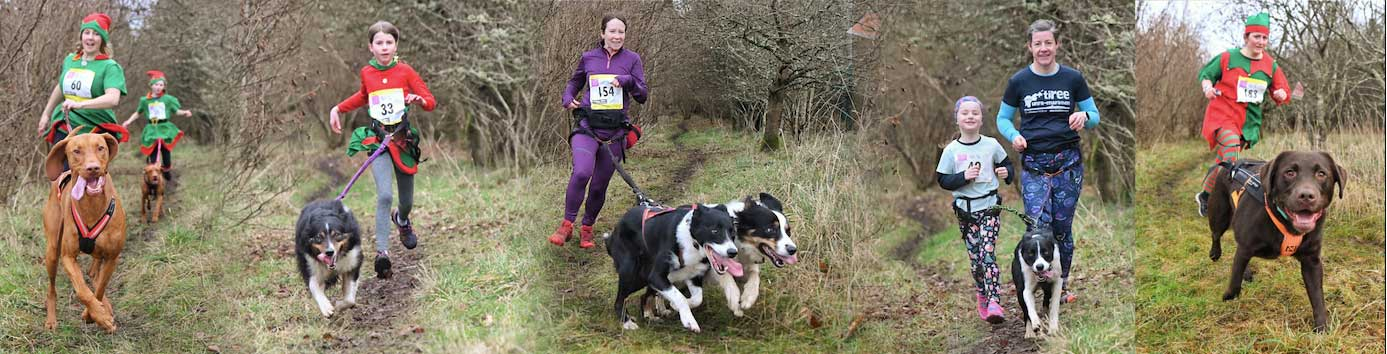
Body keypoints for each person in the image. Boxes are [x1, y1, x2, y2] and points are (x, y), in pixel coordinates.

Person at [996, 19, 1100, 303]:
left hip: (1068, 164)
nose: (1043, 49)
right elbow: (1002, 119)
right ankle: (1036, 285)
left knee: (1062, 230)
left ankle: (1060, 285)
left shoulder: (1073, 79)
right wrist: (1014, 134)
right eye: (1038, 44)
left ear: (1057, 45)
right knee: (1039, 229)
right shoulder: (1019, 82)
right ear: (1030, 47)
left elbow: (1094, 115)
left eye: (1048, 43)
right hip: (1034, 166)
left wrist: (1084, 117)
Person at [328, 21, 436, 279]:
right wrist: (338, 108)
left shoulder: (406, 71)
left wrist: (418, 100)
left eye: (389, 42)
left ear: (395, 45)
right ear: (371, 46)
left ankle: (401, 219)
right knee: (385, 195)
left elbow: (430, 101)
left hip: (402, 140)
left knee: (406, 201)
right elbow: (364, 96)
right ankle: (382, 254)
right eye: (379, 43)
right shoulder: (367, 72)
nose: (384, 47)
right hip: (378, 141)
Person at [547, 14, 648, 249]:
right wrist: (567, 97)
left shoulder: (633, 59)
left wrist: (627, 81)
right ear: (602, 33)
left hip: (615, 132)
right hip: (587, 126)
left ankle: (587, 228)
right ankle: (566, 225)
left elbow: (642, 95)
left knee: (600, 185)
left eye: (621, 32)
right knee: (582, 172)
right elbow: (574, 83)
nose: (617, 36)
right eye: (612, 31)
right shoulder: (588, 58)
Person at [1193, 12, 1299, 217]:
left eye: (1264, 38)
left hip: (1248, 121)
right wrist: (1207, 88)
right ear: (1246, 37)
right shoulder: (1228, 57)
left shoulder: (1270, 65)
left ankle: (1206, 195)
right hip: (1222, 114)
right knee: (1230, 149)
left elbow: (1283, 92)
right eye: (1256, 37)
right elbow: (1206, 75)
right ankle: (1218, 199)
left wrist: (1281, 93)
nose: (1261, 41)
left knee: (1225, 161)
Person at [937, 96, 1013, 324]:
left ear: (981, 119)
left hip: (989, 208)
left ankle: (994, 302)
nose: (970, 116)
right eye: (965, 113)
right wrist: (963, 177)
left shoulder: (991, 144)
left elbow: (1007, 164)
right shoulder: (951, 150)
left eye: (975, 113)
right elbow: (943, 179)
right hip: (966, 213)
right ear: (957, 119)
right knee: (976, 260)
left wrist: (1006, 174)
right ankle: (982, 291)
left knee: (987, 253)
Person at [38, 12, 129, 148]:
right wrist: (46, 114)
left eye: (96, 34)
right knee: (59, 167)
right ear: (81, 36)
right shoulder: (70, 60)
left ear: (102, 39)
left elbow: (113, 98)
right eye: (87, 32)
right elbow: (60, 87)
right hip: (65, 123)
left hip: (94, 127)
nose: (90, 37)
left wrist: (80, 104)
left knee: (87, 169)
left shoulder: (110, 67)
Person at [122, 70, 192, 181]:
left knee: (165, 150)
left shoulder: (168, 99)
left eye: (161, 85)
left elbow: (176, 111)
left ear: (164, 86)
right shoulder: (145, 101)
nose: (159, 87)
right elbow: (138, 113)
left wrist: (184, 112)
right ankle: (153, 172)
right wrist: (128, 121)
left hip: (164, 127)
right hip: (152, 128)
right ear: (151, 86)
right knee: (153, 151)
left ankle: (167, 170)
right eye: (156, 84)